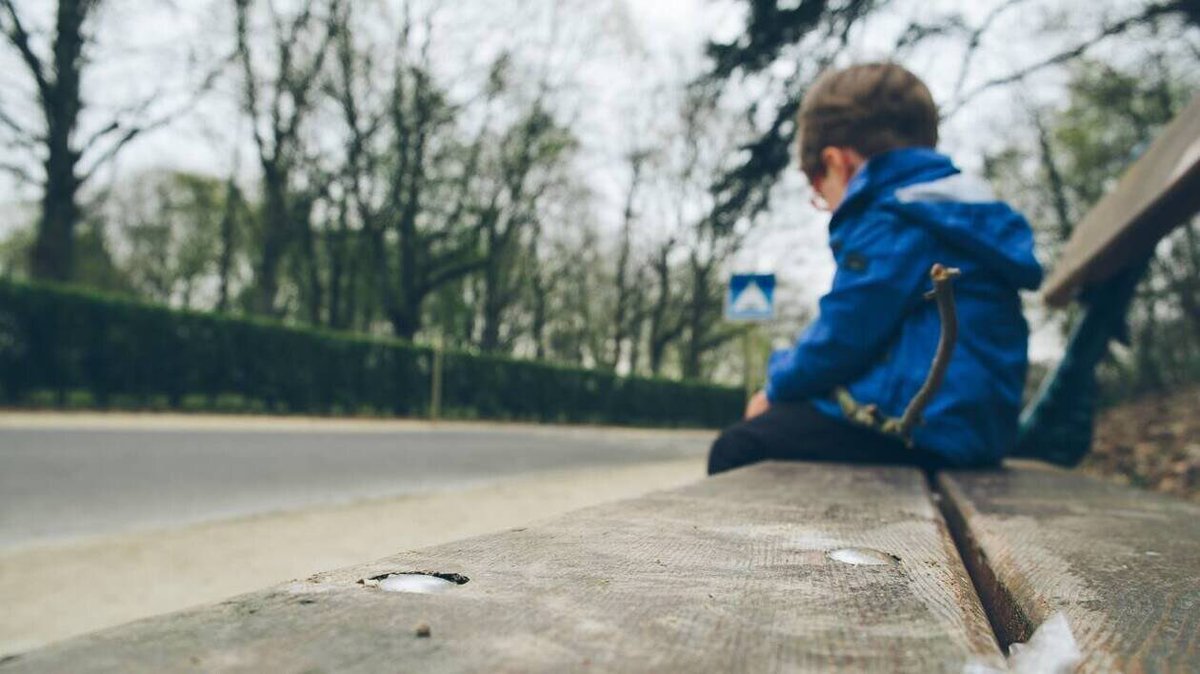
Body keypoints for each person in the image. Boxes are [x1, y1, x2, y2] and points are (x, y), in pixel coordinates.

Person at [708, 62, 1043, 475]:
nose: (828, 207)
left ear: (838, 163)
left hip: (918, 430)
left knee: (740, 447)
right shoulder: (957, 211)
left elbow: (843, 337)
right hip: (973, 432)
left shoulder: (894, 217)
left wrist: (774, 386)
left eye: (821, 192)